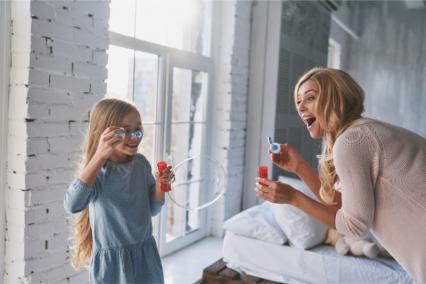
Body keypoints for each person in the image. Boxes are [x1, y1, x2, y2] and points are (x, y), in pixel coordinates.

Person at [255, 67, 426, 283]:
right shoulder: (363, 132)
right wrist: (299, 166)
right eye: (298, 101)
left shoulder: (351, 141)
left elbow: (354, 226)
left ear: (334, 98)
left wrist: (293, 197)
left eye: (310, 97)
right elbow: (341, 207)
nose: (300, 107)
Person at [64, 98, 172, 284]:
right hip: (113, 267)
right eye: (125, 131)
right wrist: (99, 155)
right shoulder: (97, 173)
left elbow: (152, 209)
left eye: (138, 129)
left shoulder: (140, 164)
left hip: (146, 257)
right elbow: (72, 205)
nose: (135, 136)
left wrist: (161, 186)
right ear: (104, 134)